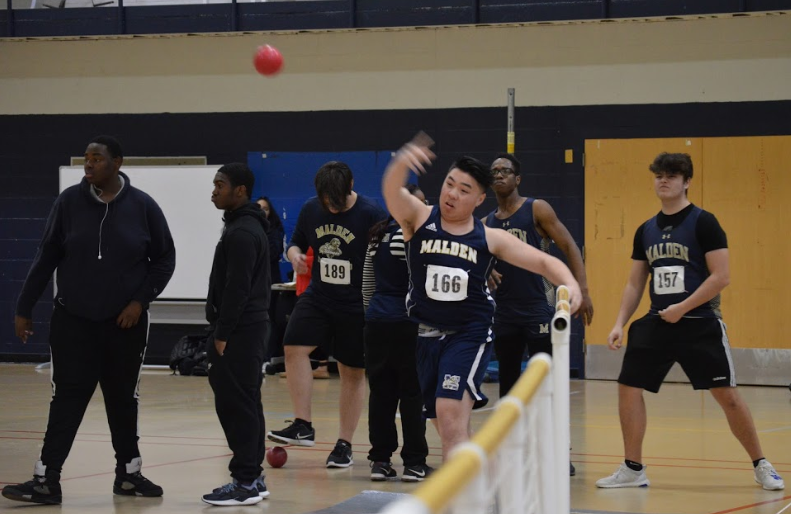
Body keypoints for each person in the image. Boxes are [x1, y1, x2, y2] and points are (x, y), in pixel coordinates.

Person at [381, 133, 582, 461]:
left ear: (479, 200)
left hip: (468, 335)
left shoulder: (489, 237)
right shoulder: (420, 218)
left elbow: (544, 261)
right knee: (445, 423)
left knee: (448, 414)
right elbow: (392, 192)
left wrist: (571, 285)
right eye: (449, 184)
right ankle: (479, 483)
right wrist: (401, 162)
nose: (452, 194)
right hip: (424, 337)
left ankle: (457, 502)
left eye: (464, 190)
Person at [3, 135, 175, 505]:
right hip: (73, 322)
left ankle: (128, 475)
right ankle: (46, 480)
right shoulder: (68, 203)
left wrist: (138, 302)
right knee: (66, 398)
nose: (89, 164)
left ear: (117, 163)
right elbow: (46, 254)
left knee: (122, 399)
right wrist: (24, 306)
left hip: (124, 326)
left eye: (97, 158)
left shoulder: (143, 206)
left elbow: (164, 260)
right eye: (86, 159)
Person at [596, 152, 784, 490]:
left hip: (699, 321)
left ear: (686, 181)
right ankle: (633, 468)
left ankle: (761, 464)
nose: (663, 180)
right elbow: (636, 282)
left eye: (671, 175)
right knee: (628, 387)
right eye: (658, 175)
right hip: (657, 321)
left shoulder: (704, 222)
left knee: (726, 396)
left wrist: (682, 307)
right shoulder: (646, 230)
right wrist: (619, 323)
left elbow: (721, 276)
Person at [267, 161, 387, 468]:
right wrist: (294, 256)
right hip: (319, 296)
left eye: (336, 202)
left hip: (356, 304)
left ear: (350, 187)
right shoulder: (311, 209)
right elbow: (296, 242)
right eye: (326, 202)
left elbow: (388, 261)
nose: (331, 208)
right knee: (293, 346)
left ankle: (344, 444)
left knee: (352, 372)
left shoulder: (371, 213)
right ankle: (302, 424)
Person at [483, 152, 594, 476]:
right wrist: (486, 270)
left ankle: (558, 452)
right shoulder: (487, 223)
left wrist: (581, 291)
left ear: (518, 179)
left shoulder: (537, 209)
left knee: (548, 388)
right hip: (504, 315)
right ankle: (513, 454)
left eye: (506, 171)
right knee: (508, 389)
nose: (500, 175)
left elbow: (570, 246)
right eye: (495, 171)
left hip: (539, 311)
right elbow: (475, 258)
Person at [200, 163, 272, 506]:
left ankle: (244, 481)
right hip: (248, 328)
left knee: (237, 405)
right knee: (247, 402)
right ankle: (253, 477)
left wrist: (222, 332)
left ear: (240, 190)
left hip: (240, 331)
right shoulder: (243, 226)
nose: (214, 190)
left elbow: (237, 289)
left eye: (220, 185)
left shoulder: (242, 232)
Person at [363, 183, 433, 482]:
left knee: (381, 394)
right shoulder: (416, 238)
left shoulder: (377, 235)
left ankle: (380, 460)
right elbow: (424, 285)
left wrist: (373, 315)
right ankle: (415, 462)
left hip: (378, 323)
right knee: (413, 394)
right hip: (409, 325)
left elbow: (367, 284)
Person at [256, 196, 285, 285]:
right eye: (259, 208)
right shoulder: (248, 229)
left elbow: (273, 253)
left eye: (265, 209)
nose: (262, 211)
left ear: (270, 212)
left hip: (270, 276)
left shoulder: (275, 231)